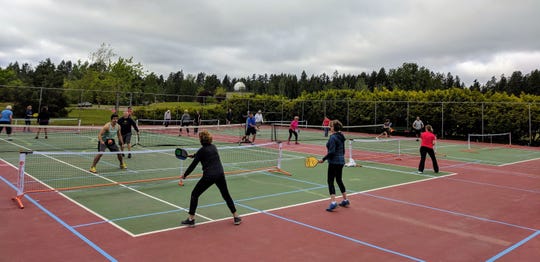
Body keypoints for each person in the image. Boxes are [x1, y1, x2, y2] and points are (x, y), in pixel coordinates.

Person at [179, 130, 242, 227]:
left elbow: (193, 165)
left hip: (209, 176)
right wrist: (194, 155)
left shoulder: (201, 151)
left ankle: (191, 219)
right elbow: (204, 154)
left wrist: (185, 175)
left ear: (201, 140)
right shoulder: (214, 147)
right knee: (226, 195)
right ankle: (236, 216)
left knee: (194, 194)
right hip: (220, 174)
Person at [319, 120, 349, 212]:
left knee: (330, 180)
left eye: (331, 126)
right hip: (341, 161)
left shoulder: (332, 138)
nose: (329, 128)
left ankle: (333, 202)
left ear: (334, 128)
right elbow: (343, 151)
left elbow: (331, 152)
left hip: (334, 162)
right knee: (339, 179)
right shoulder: (341, 136)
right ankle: (345, 200)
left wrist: (323, 159)